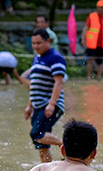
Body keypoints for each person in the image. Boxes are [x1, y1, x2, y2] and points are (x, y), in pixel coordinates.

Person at [24, 28, 67, 163]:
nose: (36, 46)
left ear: (48, 41)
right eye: (33, 43)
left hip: (49, 105)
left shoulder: (56, 58)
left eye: (39, 43)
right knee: (42, 146)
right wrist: (29, 106)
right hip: (38, 106)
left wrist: (52, 104)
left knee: (36, 134)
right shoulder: (37, 58)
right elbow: (35, 84)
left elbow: (58, 82)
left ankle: (66, 146)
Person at [85, 0, 103, 80]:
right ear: (97, 7)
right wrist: (83, 39)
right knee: (90, 60)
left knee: (100, 61)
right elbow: (86, 28)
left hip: (102, 43)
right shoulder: (92, 16)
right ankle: (89, 76)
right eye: (101, 7)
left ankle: (99, 76)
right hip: (92, 43)